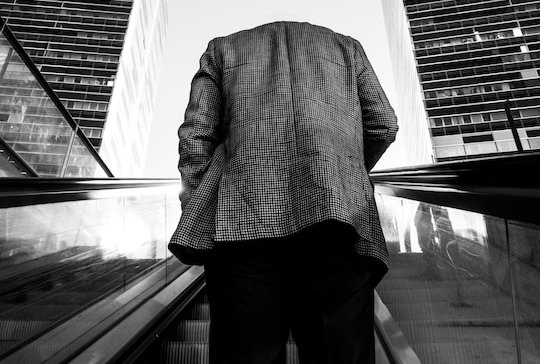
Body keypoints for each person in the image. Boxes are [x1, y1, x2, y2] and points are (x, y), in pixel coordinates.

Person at [169, 21, 398, 364]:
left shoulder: (222, 49)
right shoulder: (347, 48)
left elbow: (195, 136)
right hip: (338, 221)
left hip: (240, 220)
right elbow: (383, 123)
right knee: (340, 354)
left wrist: (199, 199)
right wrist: (343, 172)